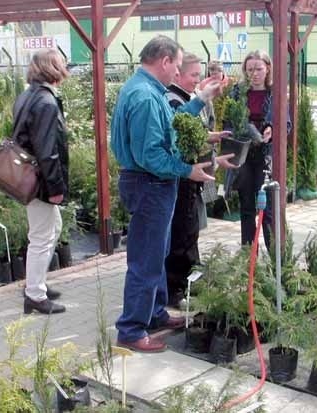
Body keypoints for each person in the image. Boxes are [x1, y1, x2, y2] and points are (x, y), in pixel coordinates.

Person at [111, 36, 221, 353]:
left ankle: (155, 313)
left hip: (150, 184)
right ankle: (131, 329)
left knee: (156, 253)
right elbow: (151, 156)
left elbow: (170, 123)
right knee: (145, 259)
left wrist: (198, 100)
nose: (178, 73)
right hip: (149, 184)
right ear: (165, 61)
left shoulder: (147, 91)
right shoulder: (145, 97)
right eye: (177, 64)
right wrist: (188, 171)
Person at [165, 52, 234, 308]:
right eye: (194, 75)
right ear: (177, 73)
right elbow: (179, 137)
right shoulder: (172, 99)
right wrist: (209, 140)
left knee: (191, 230)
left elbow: (195, 134)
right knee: (181, 232)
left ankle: (190, 281)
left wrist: (213, 141)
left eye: (198, 74)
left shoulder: (187, 97)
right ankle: (175, 289)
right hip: (181, 175)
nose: (198, 80)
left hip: (193, 174)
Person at [16, 50, 69, 315]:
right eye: (61, 62)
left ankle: (37, 284)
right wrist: (56, 188)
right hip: (40, 182)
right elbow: (48, 150)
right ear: (52, 67)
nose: (65, 65)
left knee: (51, 229)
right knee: (41, 237)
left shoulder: (29, 95)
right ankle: (35, 295)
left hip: (29, 176)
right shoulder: (46, 102)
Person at [225, 50, 291, 251]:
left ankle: (275, 257)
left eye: (259, 69)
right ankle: (248, 256)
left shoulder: (276, 93)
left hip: (266, 156)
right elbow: (228, 122)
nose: (254, 73)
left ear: (268, 68)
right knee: (246, 207)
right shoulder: (237, 92)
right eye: (250, 69)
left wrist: (273, 128)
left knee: (268, 209)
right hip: (244, 154)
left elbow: (286, 124)